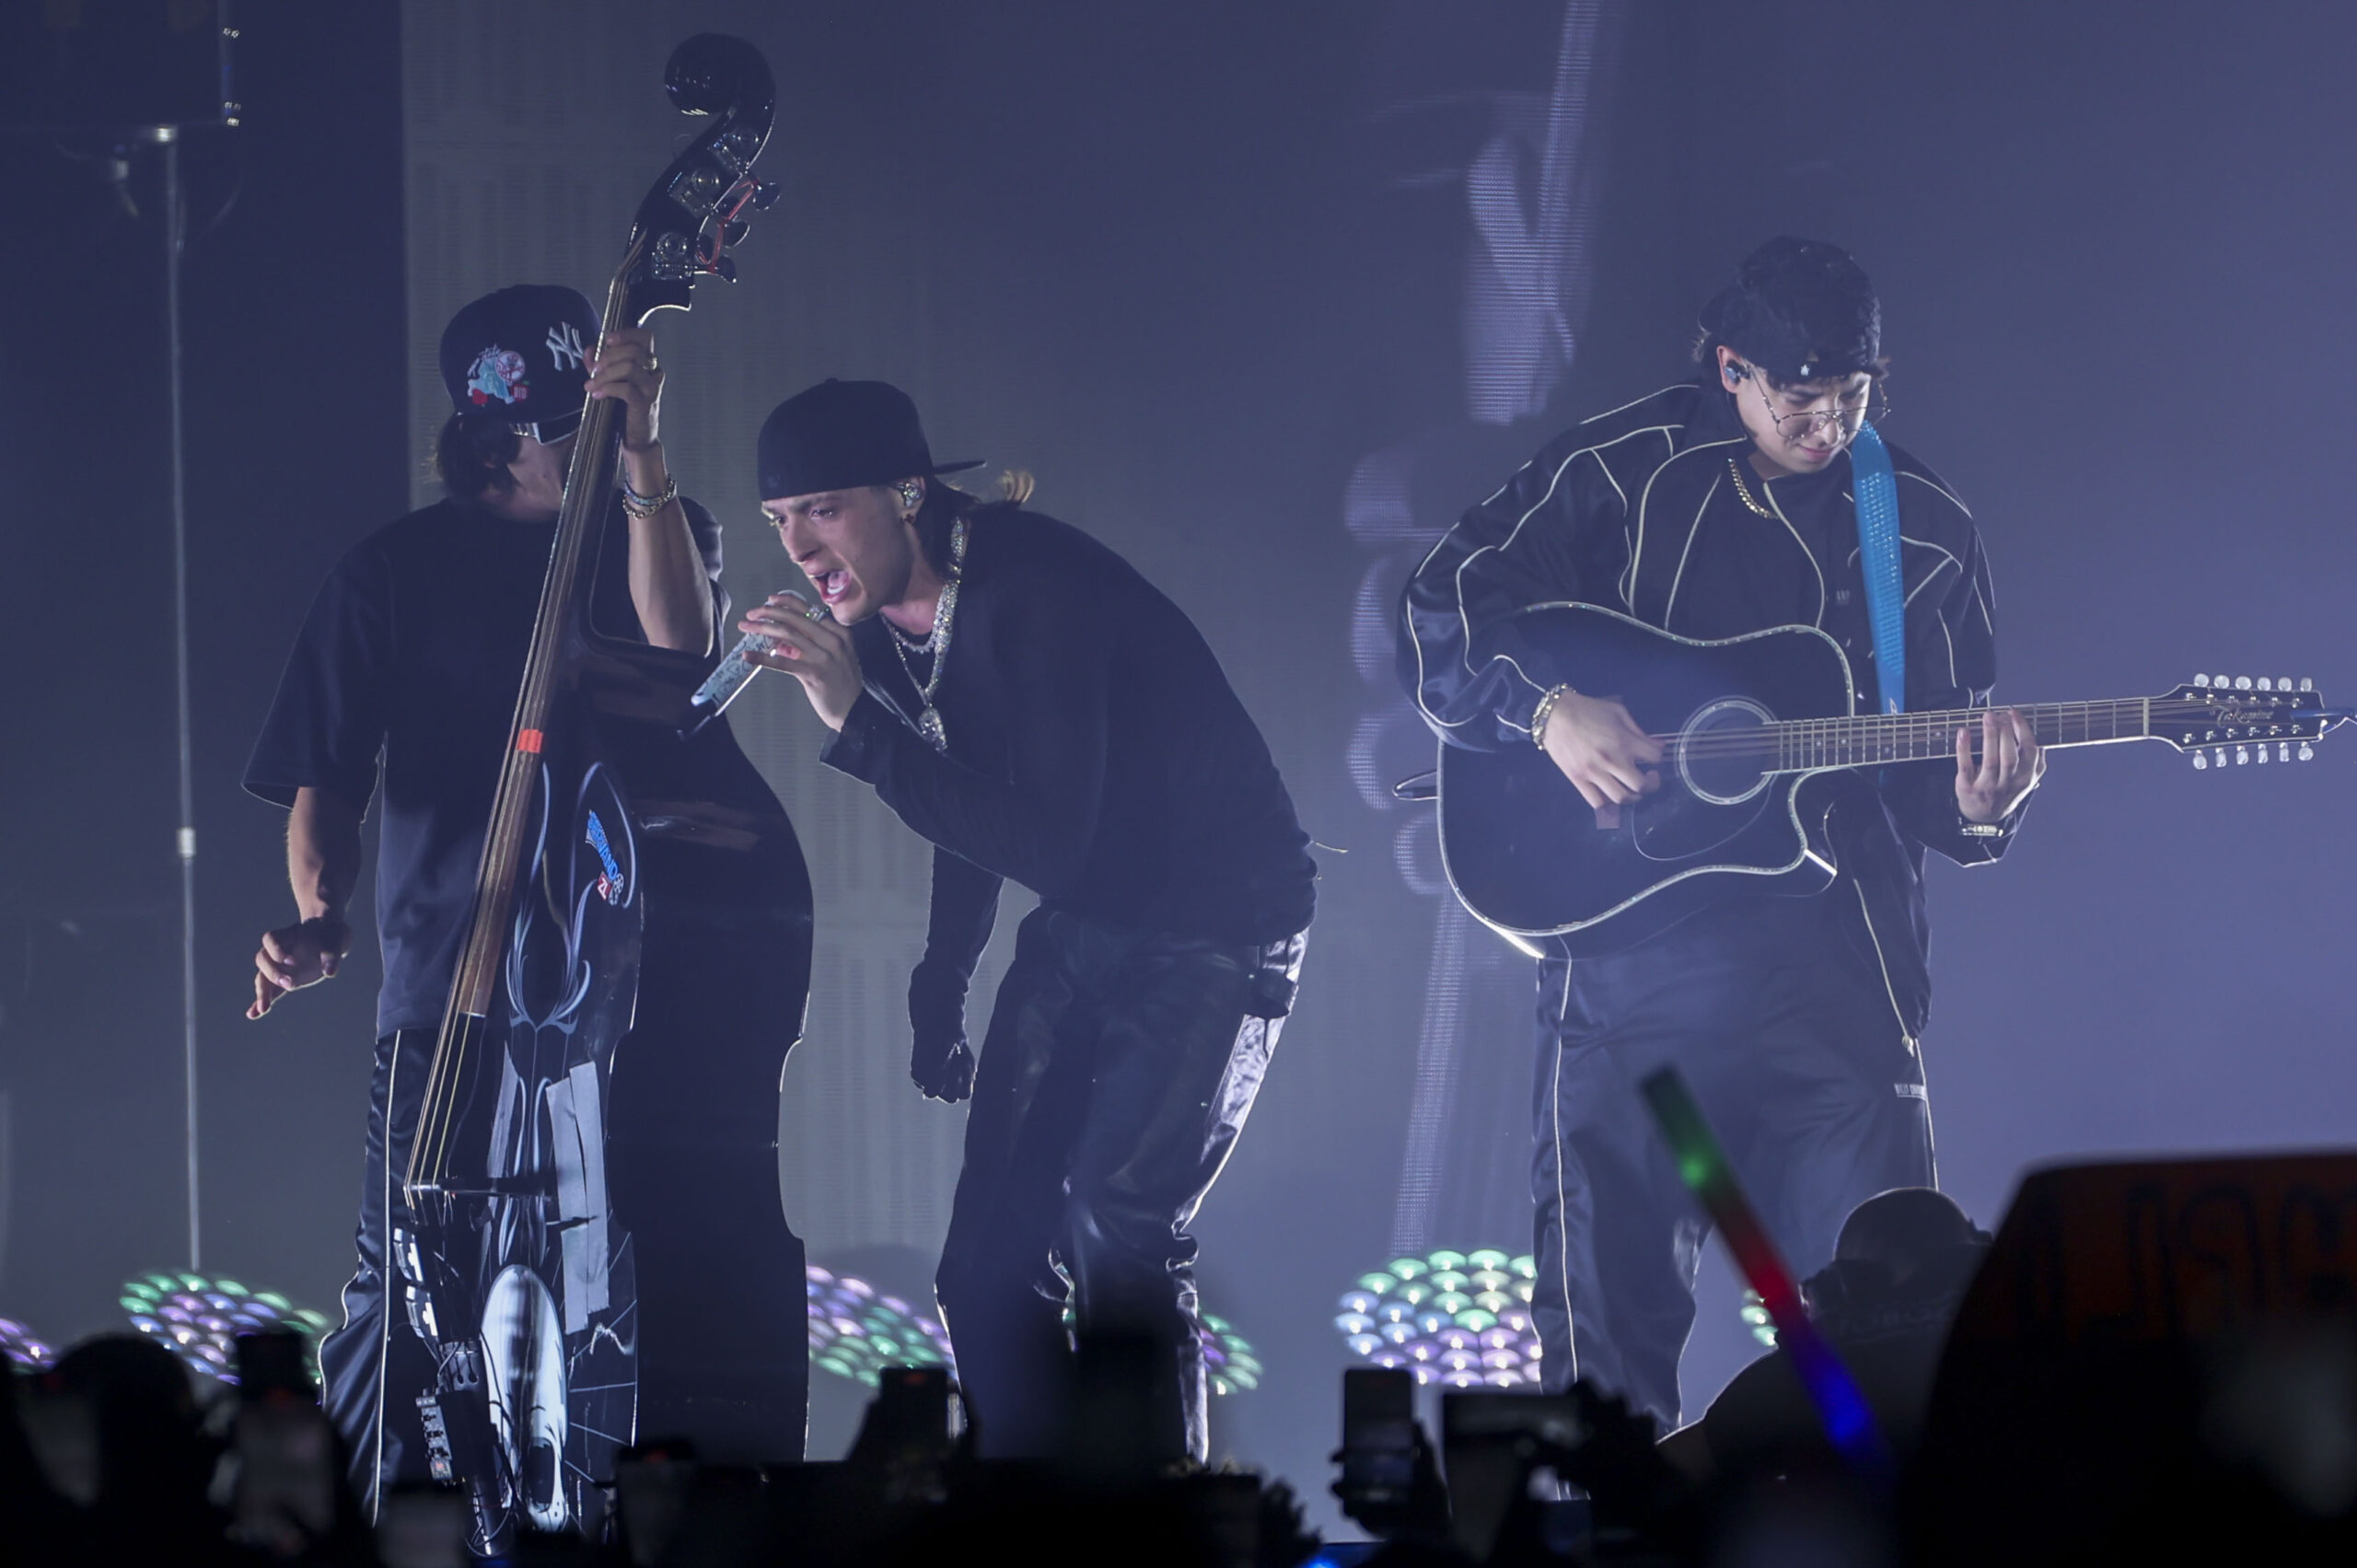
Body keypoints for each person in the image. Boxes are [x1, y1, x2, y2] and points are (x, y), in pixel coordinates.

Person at [1398, 238, 2045, 1428]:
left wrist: (1977, 807)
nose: (1827, 423)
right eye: (1800, 396)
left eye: (1851, 395)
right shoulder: (1620, 469)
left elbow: (1928, 768)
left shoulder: (1924, 528)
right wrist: (1547, 708)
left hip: (1839, 972)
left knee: (1898, 1317)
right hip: (1629, 952)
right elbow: (1443, 598)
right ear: (1730, 369)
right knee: (1601, 1339)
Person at [737, 378, 1315, 1462]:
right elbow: (975, 796)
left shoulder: (1036, 588)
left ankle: (1162, 1519)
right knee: (983, 1269)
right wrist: (941, 982)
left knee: (1116, 1227)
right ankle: (1035, 1508)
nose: (801, 547)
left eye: (822, 508)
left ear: (907, 493)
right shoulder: (887, 622)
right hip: (1093, 912)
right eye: (780, 520)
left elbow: (1042, 841)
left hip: (1219, 914)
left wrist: (857, 723)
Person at [241, 285, 724, 1512]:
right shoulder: (392, 571)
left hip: (622, 990)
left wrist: (646, 456)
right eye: (568, 426)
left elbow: (679, 660)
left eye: (598, 414)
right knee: (407, 1300)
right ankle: (369, 1525)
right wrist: (320, 917)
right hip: (447, 988)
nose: (588, 440)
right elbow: (326, 775)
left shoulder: (650, 526)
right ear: (493, 433)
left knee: (619, 1298)